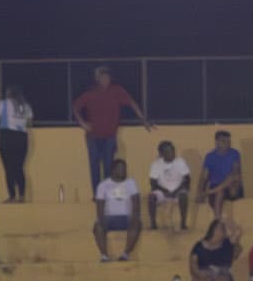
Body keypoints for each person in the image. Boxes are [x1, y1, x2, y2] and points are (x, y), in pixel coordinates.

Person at [71, 65, 151, 193]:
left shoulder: (117, 91)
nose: (105, 80)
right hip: (93, 136)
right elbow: (75, 107)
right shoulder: (91, 93)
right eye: (102, 77)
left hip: (109, 136)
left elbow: (132, 103)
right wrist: (82, 123)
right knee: (94, 167)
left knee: (109, 166)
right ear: (98, 79)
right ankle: (97, 195)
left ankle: (107, 194)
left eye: (107, 77)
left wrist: (143, 120)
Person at [92, 158, 141, 262]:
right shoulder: (103, 185)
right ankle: (104, 256)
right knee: (98, 226)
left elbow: (136, 203)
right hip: (109, 218)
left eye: (124, 169)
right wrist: (101, 220)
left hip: (127, 218)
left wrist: (135, 217)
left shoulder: (131, 183)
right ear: (113, 170)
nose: (123, 171)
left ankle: (125, 254)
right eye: (120, 169)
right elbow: (99, 206)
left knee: (137, 223)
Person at [0, 85, 33, 202]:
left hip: (7, 136)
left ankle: (12, 196)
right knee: (19, 167)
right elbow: (29, 124)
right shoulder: (26, 106)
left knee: (8, 167)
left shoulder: (3, 103)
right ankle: (22, 196)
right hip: (22, 137)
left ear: (8, 93)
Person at [199, 130, 244, 221]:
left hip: (232, 187)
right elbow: (204, 177)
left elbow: (235, 173)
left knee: (233, 178)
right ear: (217, 142)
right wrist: (201, 191)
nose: (227, 144)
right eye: (224, 141)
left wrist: (208, 192)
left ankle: (211, 193)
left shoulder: (234, 153)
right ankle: (218, 219)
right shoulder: (210, 156)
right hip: (216, 188)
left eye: (229, 141)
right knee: (220, 192)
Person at [146, 140, 191, 231]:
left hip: (178, 191)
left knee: (183, 196)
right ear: (162, 154)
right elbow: (153, 183)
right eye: (168, 151)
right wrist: (165, 191)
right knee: (151, 197)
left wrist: (176, 191)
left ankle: (183, 224)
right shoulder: (156, 164)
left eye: (173, 150)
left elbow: (187, 180)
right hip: (162, 192)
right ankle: (153, 224)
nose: (172, 153)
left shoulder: (180, 161)